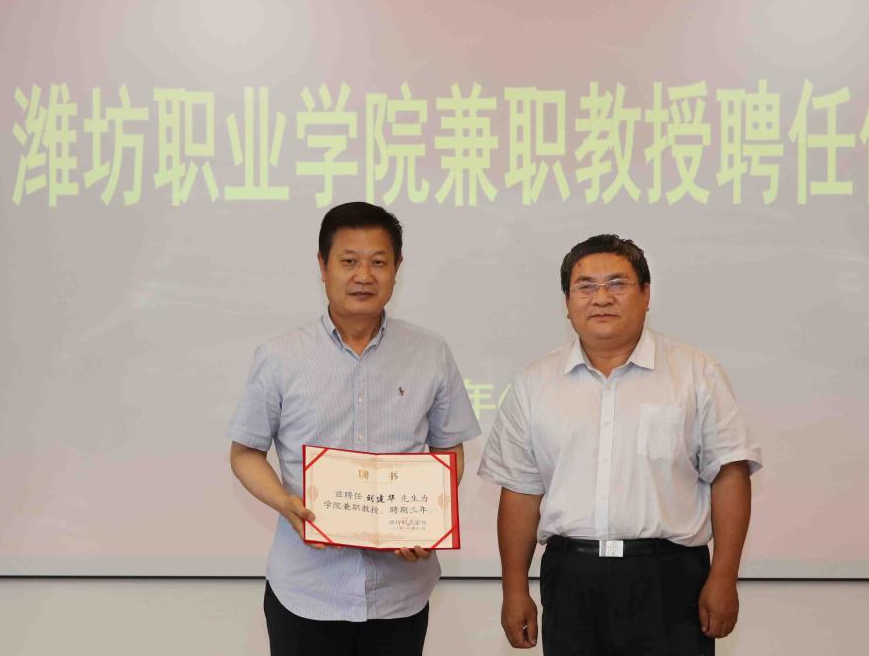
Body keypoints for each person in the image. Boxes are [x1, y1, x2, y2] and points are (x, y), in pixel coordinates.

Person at [478, 234, 762, 655]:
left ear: (646, 294)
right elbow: (521, 491)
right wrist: (514, 589)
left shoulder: (695, 372)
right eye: (586, 286)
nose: (601, 298)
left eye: (617, 284)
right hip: (571, 578)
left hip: (669, 579)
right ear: (567, 302)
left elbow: (730, 475)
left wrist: (724, 577)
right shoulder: (534, 383)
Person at [228, 202, 480, 656]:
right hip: (307, 590)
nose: (364, 275)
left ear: (397, 268)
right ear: (323, 266)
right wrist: (284, 503)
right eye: (348, 261)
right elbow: (245, 453)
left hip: (401, 592)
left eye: (378, 262)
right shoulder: (281, 356)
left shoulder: (430, 352)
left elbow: (449, 449)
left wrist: (430, 519)